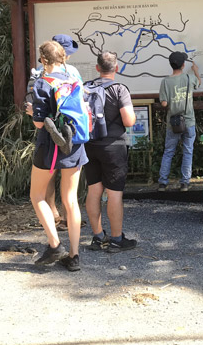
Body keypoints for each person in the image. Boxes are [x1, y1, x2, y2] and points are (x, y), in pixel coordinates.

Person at [28, 40, 88, 271]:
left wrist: (32, 112)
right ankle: (74, 256)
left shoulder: (43, 83)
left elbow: (39, 124)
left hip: (50, 147)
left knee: (37, 196)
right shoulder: (74, 80)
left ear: (43, 60)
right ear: (63, 57)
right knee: (70, 200)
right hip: (74, 143)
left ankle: (55, 245)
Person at [84, 51, 138, 253]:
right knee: (114, 193)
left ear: (97, 68)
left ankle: (98, 237)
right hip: (113, 146)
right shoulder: (119, 89)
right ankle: (116, 239)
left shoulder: (86, 88)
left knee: (94, 190)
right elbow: (129, 121)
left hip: (90, 145)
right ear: (117, 68)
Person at [158, 52, 201, 192]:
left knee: (168, 152)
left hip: (173, 122)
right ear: (183, 65)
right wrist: (196, 71)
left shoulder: (165, 81)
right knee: (188, 151)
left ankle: (163, 183)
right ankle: (185, 183)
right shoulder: (189, 77)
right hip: (189, 121)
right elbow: (198, 82)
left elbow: (164, 103)